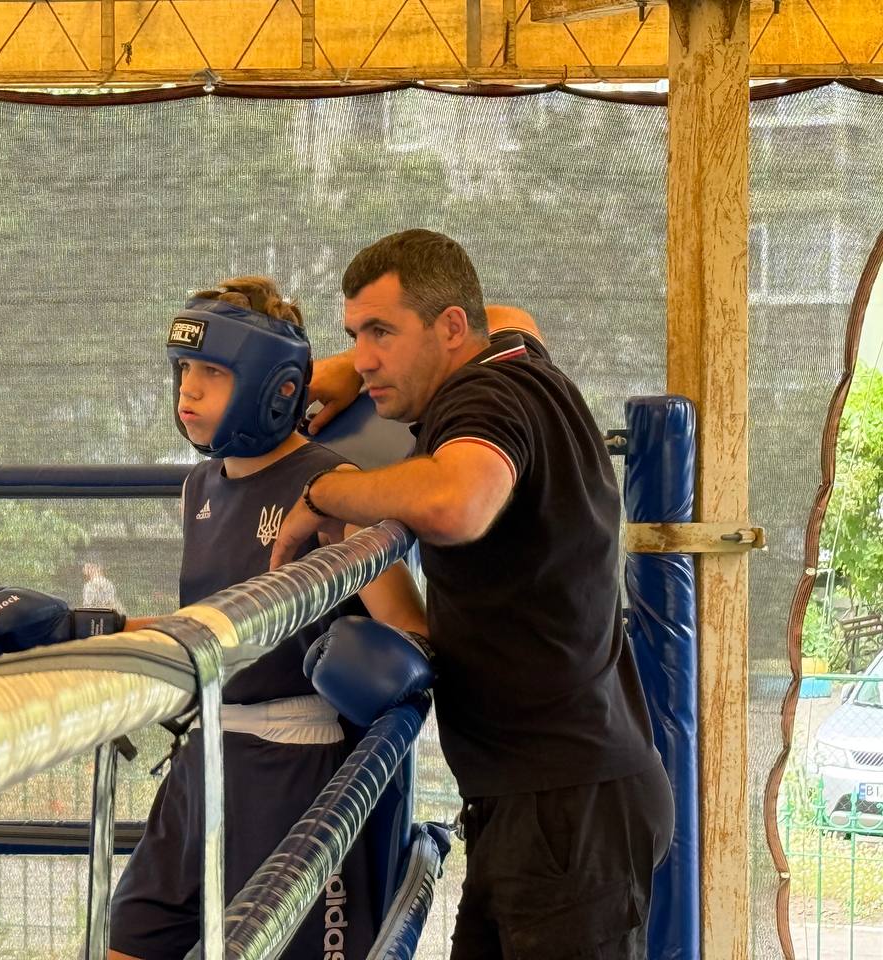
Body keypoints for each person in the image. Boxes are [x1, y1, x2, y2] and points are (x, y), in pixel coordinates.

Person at [0, 276, 428, 960]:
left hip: (295, 768)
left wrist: (377, 664)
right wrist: (81, 632)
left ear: (276, 387)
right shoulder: (200, 486)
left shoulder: (332, 486)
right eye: (184, 370)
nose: (188, 391)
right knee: (127, 942)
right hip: (203, 753)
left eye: (214, 373)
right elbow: (208, 623)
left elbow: (412, 635)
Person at [270, 230, 673, 960]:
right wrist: (349, 367)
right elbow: (511, 314)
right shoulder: (515, 356)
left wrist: (329, 492)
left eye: (381, 332)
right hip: (549, 799)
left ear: (452, 328)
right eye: (355, 335)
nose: (365, 357)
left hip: (564, 816)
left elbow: (457, 501)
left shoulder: (482, 396)